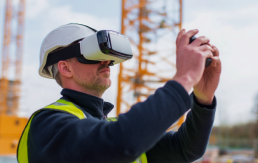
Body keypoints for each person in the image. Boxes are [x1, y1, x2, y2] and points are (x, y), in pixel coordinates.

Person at [17, 23, 221, 163]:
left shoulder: (111, 127)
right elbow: (118, 142)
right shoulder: (47, 124)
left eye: (107, 55)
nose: (106, 61)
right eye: (92, 54)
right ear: (65, 68)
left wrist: (202, 100)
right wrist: (184, 79)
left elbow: (186, 149)